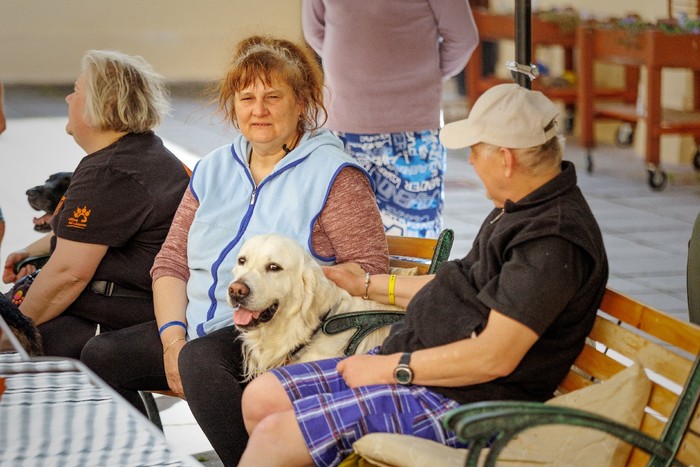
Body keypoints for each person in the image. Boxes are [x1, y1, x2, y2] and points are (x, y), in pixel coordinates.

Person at [237, 83, 610, 466]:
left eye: (474, 150)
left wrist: (390, 368)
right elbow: (458, 286)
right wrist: (365, 284)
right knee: (262, 398)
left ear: (505, 159)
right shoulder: (520, 208)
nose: (471, 161)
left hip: (465, 402)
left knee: (274, 436)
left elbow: (494, 357)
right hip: (422, 366)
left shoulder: (552, 239)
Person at [80, 35, 388, 465]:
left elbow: (369, 270)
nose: (259, 110)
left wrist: (297, 309)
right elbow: (171, 263)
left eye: (273, 97)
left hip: (282, 337)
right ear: (233, 106)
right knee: (101, 355)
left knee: (201, 362)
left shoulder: (334, 174)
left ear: (301, 103)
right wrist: (172, 340)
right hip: (198, 329)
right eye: (247, 98)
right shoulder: (214, 168)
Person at [1, 50, 190, 358]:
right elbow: (87, 234)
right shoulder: (139, 152)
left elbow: (68, 274)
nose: (67, 98)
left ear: (103, 105)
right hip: (139, 307)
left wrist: (10, 334)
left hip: (124, 319)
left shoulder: (110, 172)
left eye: (76, 90)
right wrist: (28, 251)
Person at [301, 0, 478, 238]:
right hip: (343, 125)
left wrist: (425, 75)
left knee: (414, 239)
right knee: (342, 234)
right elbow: (315, 31)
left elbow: (463, 38)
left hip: (413, 130)